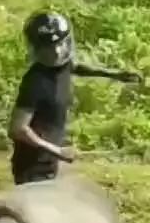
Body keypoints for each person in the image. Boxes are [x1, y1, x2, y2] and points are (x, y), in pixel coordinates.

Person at [8, 10, 142, 186]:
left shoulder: (62, 65)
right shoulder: (35, 82)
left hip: (50, 159)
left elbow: (77, 67)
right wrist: (57, 150)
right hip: (32, 167)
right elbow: (18, 129)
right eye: (49, 47)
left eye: (60, 44)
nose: (57, 52)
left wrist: (115, 74)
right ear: (37, 49)